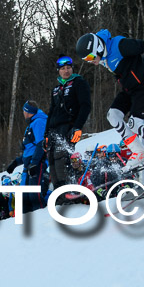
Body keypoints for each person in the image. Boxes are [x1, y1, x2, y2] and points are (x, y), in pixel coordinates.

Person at [76, 30, 144, 179]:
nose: (90, 62)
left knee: (135, 123)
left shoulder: (120, 46)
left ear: (98, 48)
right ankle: (140, 152)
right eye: (86, 60)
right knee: (113, 115)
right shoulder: (104, 56)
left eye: (90, 57)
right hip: (130, 90)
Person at [45, 55, 92, 188]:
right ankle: (59, 192)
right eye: (63, 68)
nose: (66, 71)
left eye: (68, 68)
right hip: (53, 129)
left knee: (62, 157)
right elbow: (51, 112)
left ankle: (68, 189)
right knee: (52, 159)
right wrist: (46, 134)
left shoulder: (79, 82)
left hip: (69, 126)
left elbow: (85, 106)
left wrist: (78, 127)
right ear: (58, 71)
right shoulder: (56, 89)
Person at [6, 101, 49, 212]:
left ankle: (41, 216)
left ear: (28, 112)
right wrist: (15, 163)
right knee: (24, 196)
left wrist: (34, 163)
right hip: (28, 164)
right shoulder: (31, 124)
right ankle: (25, 220)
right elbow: (29, 150)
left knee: (33, 195)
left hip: (36, 163)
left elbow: (41, 144)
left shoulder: (39, 122)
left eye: (24, 111)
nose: (23, 113)